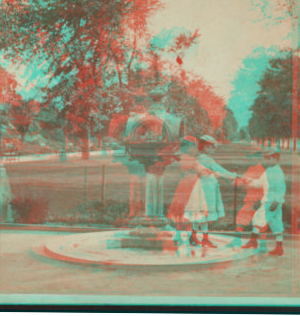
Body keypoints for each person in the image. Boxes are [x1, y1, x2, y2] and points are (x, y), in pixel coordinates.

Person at [168, 135, 214, 246]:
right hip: (192, 186)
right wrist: (212, 173)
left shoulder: (182, 158)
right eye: (194, 147)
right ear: (188, 147)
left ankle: (178, 236)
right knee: (190, 211)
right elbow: (202, 170)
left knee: (182, 211)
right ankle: (191, 237)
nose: (196, 149)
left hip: (183, 184)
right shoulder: (192, 160)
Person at [242, 149, 286, 256]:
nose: (268, 160)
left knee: (259, 220)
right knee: (275, 223)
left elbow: (281, 188)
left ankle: (254, 242)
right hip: (272, 202)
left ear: (276, 159)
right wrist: (247, 180)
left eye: (270, 158)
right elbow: (259, 183)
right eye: (267, 158)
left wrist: (277, 201)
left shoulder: (277, 171)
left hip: (271, 202)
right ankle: (278, 248)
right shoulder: (269, 171)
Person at [195, 135, 237, 248]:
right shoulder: (206, 159)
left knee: (199, 213)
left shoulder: (199, 158)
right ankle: (203, 238)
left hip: (201, 187)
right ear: (205, 147)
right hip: (206, 188)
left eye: (212, 147)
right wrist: (233, 175)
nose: (212, 149)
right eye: (210, 147)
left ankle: (197, 237)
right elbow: (218, 170)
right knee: (204, 213)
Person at [226, 151, 265, 249]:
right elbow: (244, 180)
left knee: (250, 219)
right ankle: (249, 241)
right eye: (250, 157)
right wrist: (234, 181)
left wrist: (259, 200)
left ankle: (242, 240)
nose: (250, 159)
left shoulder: (260, 169)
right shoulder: (252, 168)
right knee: (248, 219)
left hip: (255, 199)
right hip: (250, 198)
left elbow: (262, 186)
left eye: (253, 157)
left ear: (258, 158)